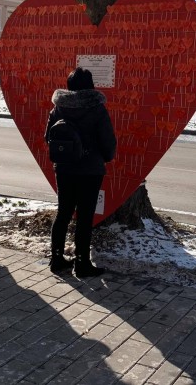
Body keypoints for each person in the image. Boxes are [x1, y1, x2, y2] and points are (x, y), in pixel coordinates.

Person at [45, 67, 116, 277]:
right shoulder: (96, 108)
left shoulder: (58, 107)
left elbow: (48, 137)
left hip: (64, 168)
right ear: (90, 84)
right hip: (90, 170)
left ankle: (56, 258)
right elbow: (107, 141)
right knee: (85, 216)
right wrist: (105, 157)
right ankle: (82, 263)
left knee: (63, 212)